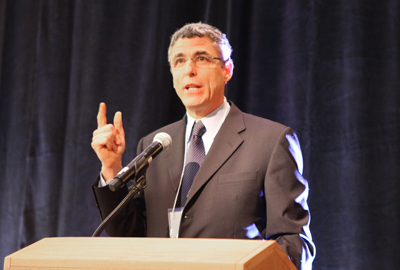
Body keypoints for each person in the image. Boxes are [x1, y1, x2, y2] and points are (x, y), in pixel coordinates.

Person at [91, 22, 315, 269]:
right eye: (179, 61)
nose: (190, 70)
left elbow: (294, 242)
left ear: (227, 69)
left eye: (201, 58)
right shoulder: (153, 145)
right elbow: (130, 236)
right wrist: (111, 167)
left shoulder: (271, 140)